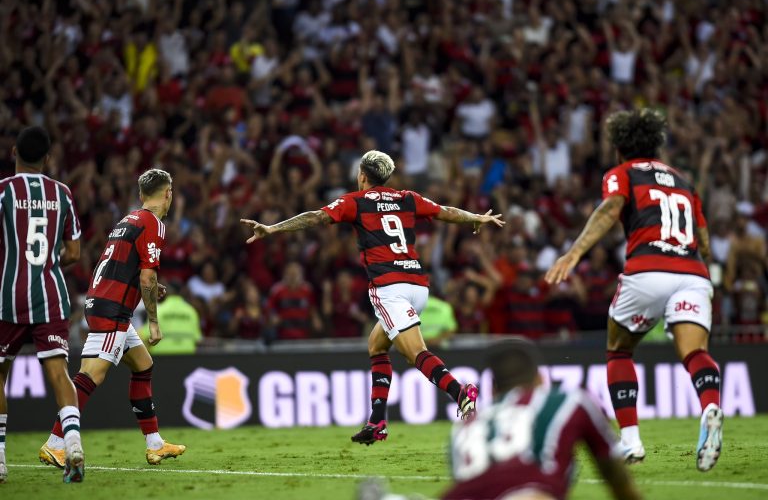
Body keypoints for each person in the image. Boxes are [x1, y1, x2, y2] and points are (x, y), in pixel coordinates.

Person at [241, 150, 504, 444]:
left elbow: (316, 217)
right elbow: (447, 212)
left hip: (388, 287)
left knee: (415, 352)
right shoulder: (407, 197)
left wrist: (273, 228)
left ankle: (461, 393)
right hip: (418, 286)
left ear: (362, 176)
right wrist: (476, 217)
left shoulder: (356, 201)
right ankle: (377, 421)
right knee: (377, 346)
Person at [545, 109, 723, 471]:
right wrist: (708, 271)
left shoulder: (622, 173)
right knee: (694, 352)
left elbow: (611, 208)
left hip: (648, 271)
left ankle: (630, 441)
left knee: (618, 350)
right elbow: (704, 239)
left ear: (618, 148)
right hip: (693, 273)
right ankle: (710, 406)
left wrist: (575, 252)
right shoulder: (683, 180)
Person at [39, 169, 185, 467]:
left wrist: (151, 286)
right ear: (168, 193)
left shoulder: (127, 220)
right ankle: (56, 443)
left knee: (143, 365)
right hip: (113, 309)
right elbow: (146, 276)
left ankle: (155, 444)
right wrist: (154, 323)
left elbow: (123, 267)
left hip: (104, 300)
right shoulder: (153, 223)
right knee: (91, 375)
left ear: (142, 194)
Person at [443, 338, 642, 500]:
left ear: (493, 390)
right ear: (540, 378)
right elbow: (615, 474)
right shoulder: (571, 400)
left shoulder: (463, 427)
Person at [0, 127, 85, 483]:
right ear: (48, 158)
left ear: (14, 151)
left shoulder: (3, 191)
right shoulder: (62, 193)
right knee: (58, 372)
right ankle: (73, 443)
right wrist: (48, 261)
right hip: (51, 294)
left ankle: (0, 458)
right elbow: (75, 253)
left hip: (8, 296)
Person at [138, 283, 202, 355]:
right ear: (182, 292)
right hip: (187, 355)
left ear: (166, 292)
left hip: (161, 356)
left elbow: (146, 336)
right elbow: (198, 339)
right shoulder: (191, 312)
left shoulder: (158, 310)